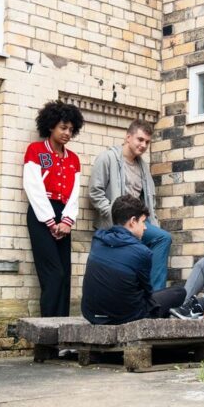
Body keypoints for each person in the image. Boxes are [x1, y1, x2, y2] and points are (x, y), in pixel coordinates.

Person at [88, 119, 171, 291]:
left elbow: (146, 200)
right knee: (163, 238)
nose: (143, 145)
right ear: (128, 137)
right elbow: (95, 193)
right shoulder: (107, 158)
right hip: (117, 221)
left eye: (147, 142)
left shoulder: (142, 166)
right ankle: (156, 295)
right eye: (140, 140)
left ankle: (151, 295)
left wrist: (148, 221)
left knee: (161, 238)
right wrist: (115, 214)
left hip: (137, 220)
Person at [81, 195, 185, 325]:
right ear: (133, 221)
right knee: (179, 292)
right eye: (143, 222)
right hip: (125, 317)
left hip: (91, 314)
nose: (145, 227)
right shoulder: (142, 252)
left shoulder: (97, 240)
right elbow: (148, 293)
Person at [22, 100, 84, 317]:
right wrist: (50, 221)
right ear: (51, 126)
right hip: (41, 216)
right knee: (53, 274)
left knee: (65, 275)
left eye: (71, 129)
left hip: (64, 217)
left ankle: (63, 336)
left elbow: (74, 193)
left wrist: (67, 221)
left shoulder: (73, 159)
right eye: (63, 127)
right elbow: (33, 188)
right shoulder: (36, 151)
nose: (67, 133)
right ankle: (48, 335)